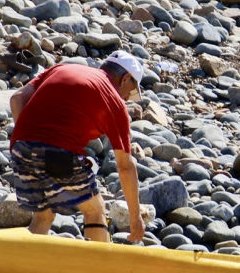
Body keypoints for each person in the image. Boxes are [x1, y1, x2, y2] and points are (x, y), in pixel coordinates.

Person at [8, 50, 145, 243]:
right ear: (125, 78)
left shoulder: (63, 68)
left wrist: (31, 142)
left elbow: (17, 98)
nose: (128, 98)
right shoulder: (114, 102)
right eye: (131, 91)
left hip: (20, 148)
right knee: (95, 210)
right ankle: (100, 268)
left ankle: (26, 267)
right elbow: (125, 166)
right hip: (58, 154)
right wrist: (135, 218)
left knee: (43, 215)